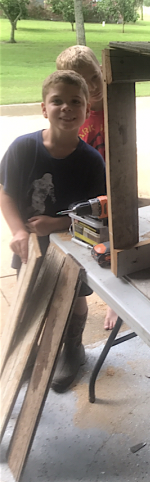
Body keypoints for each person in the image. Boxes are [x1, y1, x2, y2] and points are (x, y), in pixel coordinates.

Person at [0, 70, 106, 392]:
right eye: (57, 101)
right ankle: (29, 351)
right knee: (29, 298)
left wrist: (57, 224)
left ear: (87, 109)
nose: (66, 107)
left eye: (75, 101)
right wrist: (19, 232)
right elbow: (6, 193)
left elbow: (100, 212)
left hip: (73, 244)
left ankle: (72, 348)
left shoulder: (92, 162)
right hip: (30, 246)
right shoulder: (23, 149)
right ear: (44, 108)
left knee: (73, 297)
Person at [56, 45, 118, 330]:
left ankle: (115, 302)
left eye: (95, 76)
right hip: (84, 192)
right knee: (87, 244)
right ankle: (79, 301)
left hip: (114, 186)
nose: (94, 86)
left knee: (117, 242)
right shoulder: (74, 114)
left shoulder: (116, 105)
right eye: (84, 82)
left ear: (102, 70)